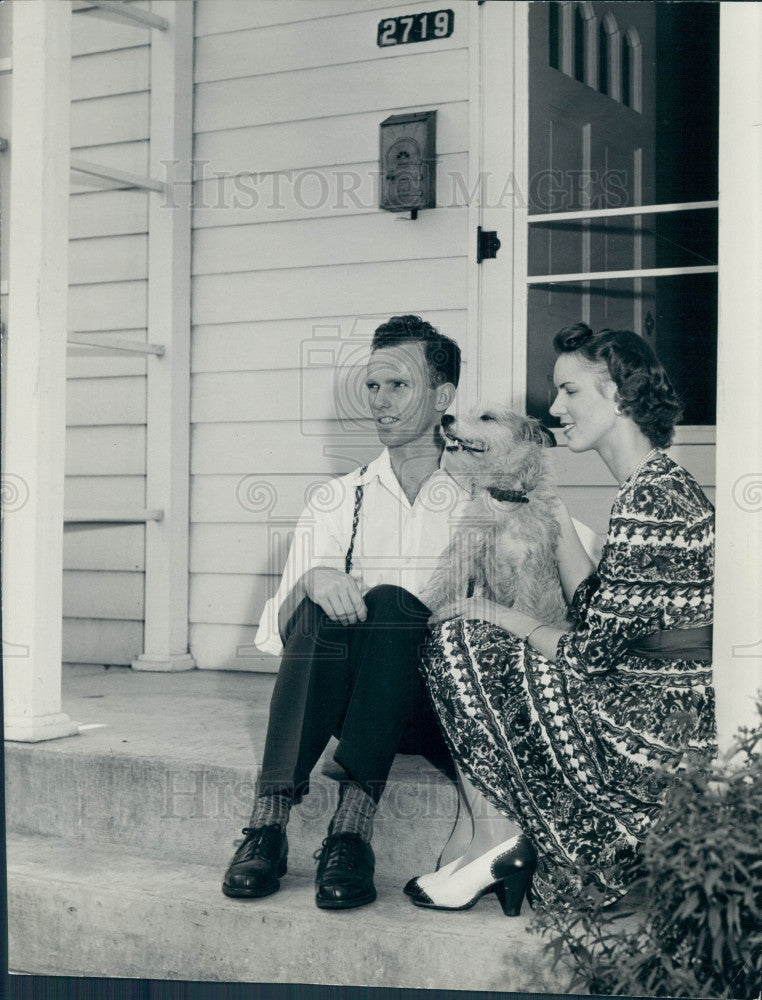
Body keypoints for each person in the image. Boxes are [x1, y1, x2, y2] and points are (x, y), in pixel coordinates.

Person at [405, 323, 716, 912]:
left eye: (570, 391)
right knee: (464, 633)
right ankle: (485, 843)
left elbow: (583, 654)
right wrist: (555, 517)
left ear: (619, 396)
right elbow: (594, 608)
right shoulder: (651, 484)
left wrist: (491, 611)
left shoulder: (651, 498)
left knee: (461, 639)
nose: (554, 408)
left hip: (650, 731)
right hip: (654, 705)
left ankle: (496, 843)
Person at [222, 315, 467, 909]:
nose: (380, 403)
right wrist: (312, 578)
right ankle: (270, 825)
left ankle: (352, 823)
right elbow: (282, 633)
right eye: (373, 387)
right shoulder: (338, 498)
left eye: (399, 386)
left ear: (443, 396)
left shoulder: (482, 494)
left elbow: (559, 569)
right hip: (355, 706)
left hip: (443, 709)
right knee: (316, 594)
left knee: (389, 602)